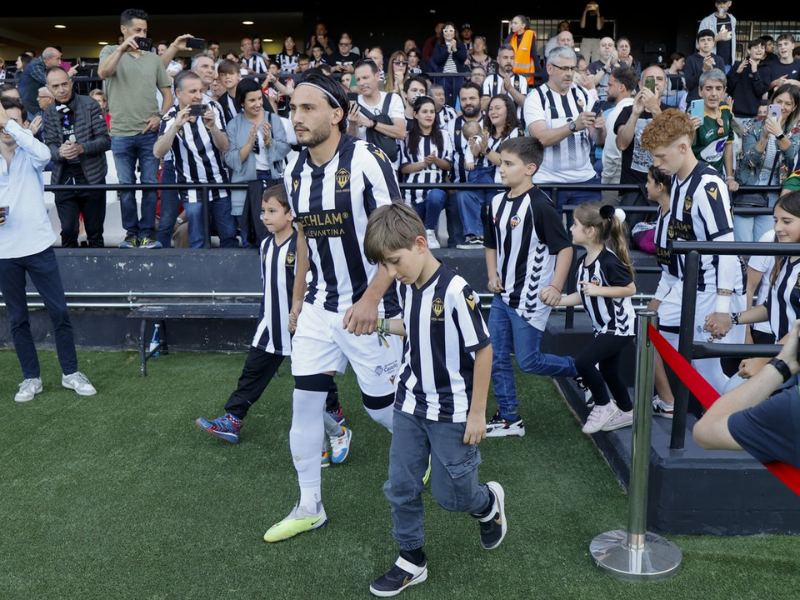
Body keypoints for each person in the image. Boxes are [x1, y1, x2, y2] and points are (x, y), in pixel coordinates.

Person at [263, 72, 403, 543]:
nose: (296, 118)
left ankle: (422, 454)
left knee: (385, 411)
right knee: (304, 405)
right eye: (293, 110)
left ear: (337, 114)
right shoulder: (294, 170)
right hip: (320, 310)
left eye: (308, 109)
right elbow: (303, 236)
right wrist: (298, 300)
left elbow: (400, 239)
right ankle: (309, 505)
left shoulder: (367, 159)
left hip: (371, 305)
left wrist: (369, 300)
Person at [362, 202, 504, 597]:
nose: (390, 273)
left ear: (420, 244)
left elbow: (484, 350)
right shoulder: (408, 286)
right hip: (408, 404)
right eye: (385, 266)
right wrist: (377, 324)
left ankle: (487, 503)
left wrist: (478, 414)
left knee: (452, 497)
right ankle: (411, 559)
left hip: (453, 411)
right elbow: (415, 326)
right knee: (400, 486)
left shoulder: (457, 291)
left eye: (394, 262)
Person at [195, 184, 351, 459]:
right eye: (263, 211)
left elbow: (309, 283)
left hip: (302, 325)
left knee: (314, 376)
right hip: (270, 326)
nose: (265, 217)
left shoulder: (302, 245)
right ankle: (233, 420)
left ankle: (333, 413)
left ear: (290, 214)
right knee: (252, 373)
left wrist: (298, 311)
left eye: (272, 211)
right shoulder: (266, 245)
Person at [641, 108, 744, 394]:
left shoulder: (707, 185)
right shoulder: (677, 181)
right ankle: (721, 413)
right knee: (655, 334)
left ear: (684, 147)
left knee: (707, 369)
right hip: (690, 284)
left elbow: (726, 248)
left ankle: (734, 419)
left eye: (661, 156)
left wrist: (723, 308)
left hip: (710, 287)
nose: (657, 164)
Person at [0, 97, 97, 402]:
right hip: (4, 251)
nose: (5, 127)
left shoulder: (32, 153)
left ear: (23, 125)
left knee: (59, 312)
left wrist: (12, 126)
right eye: (2, 122)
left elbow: (44, 153)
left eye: (13, 121)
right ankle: (31, 378)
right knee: (17, 319)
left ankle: (70, 373)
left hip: (39, 246)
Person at [484, 137, 577, 436]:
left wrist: (556, 286)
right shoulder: (496, 201)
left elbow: (565, 249)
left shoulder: (539, 204)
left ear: (530, 169)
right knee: (495, 355)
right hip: (502, 295)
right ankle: (510, 418)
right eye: (501, 162)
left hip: (530, 298)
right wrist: (491, 274)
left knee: (528, 361)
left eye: (509, 164)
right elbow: (490, 244)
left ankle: (582, 367)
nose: (502, 169)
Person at [556, 203, 636, 433]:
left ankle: (603, 405)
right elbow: (582, 296)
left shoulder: (608, 261)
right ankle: (627, 411)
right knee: (610, 372)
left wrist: (599, 290)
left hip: (619, 327)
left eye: (575, 224)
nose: (571, 228)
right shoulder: (583, 263)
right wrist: (556, 301)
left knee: (584, 362)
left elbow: (629, 289)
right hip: (604, 328)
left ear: (590, 231)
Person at [98, 9, 173, 249]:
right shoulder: (110, 51)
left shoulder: (152, 59)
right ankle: (131, 234)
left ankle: (148, 234)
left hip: (148, 133)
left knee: (150, 184)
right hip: (120, 132)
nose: (142, 35)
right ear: (124, 30)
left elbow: (168, 95)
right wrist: (122, 49)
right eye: (137, 30)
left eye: (145, 31)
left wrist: (160, 117)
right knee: (126, 187)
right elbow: (103, 72)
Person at [716, 192, 800, 385]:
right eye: (775, 220)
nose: (778, 228)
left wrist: (765, 361)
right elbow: (773, 306)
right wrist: (734, 319)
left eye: (787, 221)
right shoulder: (786, 257)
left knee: (733, 393)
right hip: (786, 357)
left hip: (790, 360)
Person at [153, 71, 236, 249]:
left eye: (201, 90)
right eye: (193, 92)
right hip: (190, 187)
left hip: (218, 183)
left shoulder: (213, 107)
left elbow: (225, 147)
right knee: (198, 241)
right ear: (178, 93)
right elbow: (158, 152)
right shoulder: (170, 117)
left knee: (228, 236)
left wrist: (213, 127)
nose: (199, 96)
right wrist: (175, 126)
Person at [524, 46, 605, 212]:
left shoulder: (583, 94)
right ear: (550, 68)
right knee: (550, 237)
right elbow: (541, 139)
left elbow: (599, 140)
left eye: (573, 68)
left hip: (585, 181)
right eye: (564, 68)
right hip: (547, 182)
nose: (570, 73)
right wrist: (573, 126)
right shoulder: (536, 97)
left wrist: (599, 128)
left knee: (589, 237)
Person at [43, 66, 110, 249]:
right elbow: (49, 145)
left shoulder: (89, 104)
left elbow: (105, 140)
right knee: (68, 230)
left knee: (95, 233)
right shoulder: (49, 112)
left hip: (92, 176)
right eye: (55, 86)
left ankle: (98, 275)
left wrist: (81, 148)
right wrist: (59, 152)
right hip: (64, 177)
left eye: (65, 84)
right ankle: (69, 277)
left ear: (71, 83)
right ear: (49, 89)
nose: (61, 89)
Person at [224, 78, 291, 246]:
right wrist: (248, 144)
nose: (258, 103)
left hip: (272, 180)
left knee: (275, 233)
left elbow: (284, 148)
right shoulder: (234, 124)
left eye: (260, 98)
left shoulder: (273, 119)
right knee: (248, 236)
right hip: (245, 184)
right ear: (241, 101)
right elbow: (230, 159)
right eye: (252, 100)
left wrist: (269, 140)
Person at [734, 84, 800, 242]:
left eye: (788, 103)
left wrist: (779, 134)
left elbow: (793, 159)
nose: (782, 107)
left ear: (794, 107)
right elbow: (749, 160)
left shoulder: (795, 131)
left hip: (775, 190)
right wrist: (764, 136)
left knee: (765, 242)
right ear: (772, 101)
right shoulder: (754, 124)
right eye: (779, 101)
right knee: (742, 243)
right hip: (748, 188)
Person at [614, 66, 669, 225]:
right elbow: (622, 144)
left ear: (665, 84)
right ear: (640, 85)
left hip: (662, 188)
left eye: (660, 79)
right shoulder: (627, 111)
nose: (656, 83)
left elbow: (671, 142)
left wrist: (655, 110)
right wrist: (635, 114)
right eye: (650, 79)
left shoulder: (672, 112)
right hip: (633, 189)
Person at [645, 165, 678, 415]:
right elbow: (668, 269)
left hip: (696, 291)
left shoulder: (679, 217)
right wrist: (656, 300)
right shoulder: (661, 211)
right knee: (645, 332)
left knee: (647, 335)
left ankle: (668, 401)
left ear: (660, 186)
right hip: (674, 287)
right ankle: (666, 400)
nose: (645, 186)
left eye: (648, 181)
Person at [399, 95, 452, 249]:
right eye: (424, 112)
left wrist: (435, 161)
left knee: (436, 195)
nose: (429, 115)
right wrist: (424, 163)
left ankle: (430, 232)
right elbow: (403, 167)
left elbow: (448, 165)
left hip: (434, 192)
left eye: (432, 112)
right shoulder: (406, 137)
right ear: (415, 114)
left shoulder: (444, 135)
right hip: (412, 195)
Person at [347, 59, 406, 166]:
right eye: (358, 79)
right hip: (363, 165)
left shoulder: (393, 99)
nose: (362, 83)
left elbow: (401, 133)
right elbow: (350, 142)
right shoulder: (353, 104)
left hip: (389, 166)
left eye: (365, 77)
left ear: (377, 76)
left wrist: (371, 123)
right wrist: (352, 124)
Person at [449, 82, 485, 248]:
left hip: (485, 185)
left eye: (472, 98)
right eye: (463, 99)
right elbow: (447, 155)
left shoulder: (490, 123)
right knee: (457, 244)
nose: (468, 102)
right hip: (457, 187)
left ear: (480, 100)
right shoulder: (451, 124)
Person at [691, 69, 736, 184]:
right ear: (700, 91)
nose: (714, 94)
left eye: (718, 88)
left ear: (724, 91)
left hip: (718, 177)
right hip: (697, 178)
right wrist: (689, 131)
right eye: (708, 88)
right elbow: (687, 150)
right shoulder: (694, 116)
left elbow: (728, 143)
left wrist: (730, 177)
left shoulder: (725, 109)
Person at [600, 67, 638, 203]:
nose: (606, 89)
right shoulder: (638, 110)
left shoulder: (616, 114)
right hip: (633, 181)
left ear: (621, 87)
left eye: (610, 85)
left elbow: (613, 154)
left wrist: (606, 181)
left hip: (615, 182)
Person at [471, 94, 523, 185]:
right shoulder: (485, 132)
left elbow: (510, 161)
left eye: (497, 108)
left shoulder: (517, 132)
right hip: (478, 180)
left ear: (508, 111)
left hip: (501, 187)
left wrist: (486, 150)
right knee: (462, 194)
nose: (493, 112)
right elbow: (467, 164)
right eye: (490, 109)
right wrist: (474, 154)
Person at [727, 39, 771, 128]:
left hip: (755, 116)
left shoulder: (765, 69)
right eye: (756, 47)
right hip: (735, 115)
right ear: (749, 50)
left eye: (762, 48)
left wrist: (755, 72)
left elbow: (761, 91)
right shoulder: (738, 65)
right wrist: (737, 73)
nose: (759, 50)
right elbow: (727, 87)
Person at [480, 45, 527, 118]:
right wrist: (500, 95)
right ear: (498, 59)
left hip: (517, 124)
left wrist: (510, 89)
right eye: (505, 57)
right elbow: (483, 106)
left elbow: (525, 103)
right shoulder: (489, 80)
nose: (509, 61)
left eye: (512, 58)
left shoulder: (522, 80)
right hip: (494, 125)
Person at [431, 22, 468, 107]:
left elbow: (463, 59)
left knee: (458, 95)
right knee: (444, 95)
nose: (448, 33)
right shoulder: (439, 44)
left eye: (451, 31)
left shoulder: (460, 44)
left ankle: (458, 113)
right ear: (443, 33)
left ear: (455, 33)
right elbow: (437, 60)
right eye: (446, 31)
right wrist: (447, 51)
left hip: (457, 75)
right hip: (443, 75)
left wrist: (455, 50)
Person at [684, 29, 726, 105]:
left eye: (709, 40)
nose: (706, 42)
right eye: (702, 40)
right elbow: (689, 85)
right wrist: (703, 70)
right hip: (696, 101)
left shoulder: (719, 60)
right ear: (698, 43)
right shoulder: (691, 60)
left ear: (713, 43)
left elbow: (723, 83)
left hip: (715, 101)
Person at [698, 0, 737, 68]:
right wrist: (716, 38)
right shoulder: (707, 21)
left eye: (724, 2)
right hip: (711, 64)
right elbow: (698, 45)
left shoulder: (732, 19)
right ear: (716, 4)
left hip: (728, 64)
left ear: (730, 3)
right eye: (719, 3)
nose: (721, 5)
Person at [505, 14, 542, 85]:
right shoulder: (512, 36)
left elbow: (534, 53)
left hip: (526, 76)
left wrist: (540, 72)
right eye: (512, 23)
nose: (512, 25)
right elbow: (503, 48)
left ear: (523, 26)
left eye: (515, 23)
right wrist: (511, 34)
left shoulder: (530, 34)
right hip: (511, 74)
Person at [587, 37, 621, 102]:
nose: (607, 47)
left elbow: (627, 84)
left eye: (610, 45)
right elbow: (591, 83)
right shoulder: (592, 66)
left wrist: (616, 64)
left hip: (616, 105)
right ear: (599, 50)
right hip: (598, 104)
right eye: (603, 45)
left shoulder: (622, 65)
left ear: (614, 50)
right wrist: (606, 67)